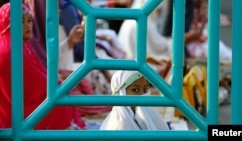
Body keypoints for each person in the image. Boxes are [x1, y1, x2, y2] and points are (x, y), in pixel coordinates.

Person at [0, 2, 85, 130]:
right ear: (9, 25)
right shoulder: (13, 49)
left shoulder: (19, 44)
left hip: (16, 105)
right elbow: (39, 83)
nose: (28, 25)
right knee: (59, 102)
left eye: (29, 20)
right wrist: (59, 83)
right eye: (21, 22)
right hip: (14, 112)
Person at [99, 70, 169, 130]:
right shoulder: (120, 126)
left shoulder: (146, 117)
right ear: (121, 93)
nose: (142, 95)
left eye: (145, 90)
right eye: (135, 90)